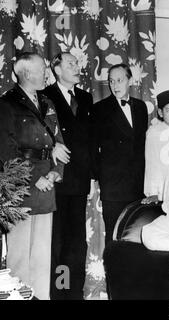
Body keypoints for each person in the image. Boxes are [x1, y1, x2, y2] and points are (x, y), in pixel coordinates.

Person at [0, 52, 67, 299]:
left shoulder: (47, 103)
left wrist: (55, 173)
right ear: (28, 73)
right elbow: (6, 150)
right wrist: (31, 178)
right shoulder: (6, 104)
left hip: (46, 184)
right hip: (21, 187)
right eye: (42, 69)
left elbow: (59, 142)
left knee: (41, 256)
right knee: (19, 259)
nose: (46, 74)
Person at [42, 52, 93, 300]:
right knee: (58, 242)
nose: (77, 67)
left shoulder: (85, 97)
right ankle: (58, 294)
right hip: (57, 180)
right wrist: (52, 147)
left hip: (80, 181)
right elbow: (40, 132)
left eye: (77, 63)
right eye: (70, 64)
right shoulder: (45, 96)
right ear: (57, 69)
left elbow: (90, 140)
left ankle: (75, 293)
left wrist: (91, 177)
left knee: (77, 242)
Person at [92, 63, 148, 246]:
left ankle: (135, 275)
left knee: (137, 234)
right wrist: (95, 178)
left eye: (119, 80)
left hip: (138, 184)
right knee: (115, 236)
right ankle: (114, 275)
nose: (115, 85)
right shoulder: (99, 109)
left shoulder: (140, 107)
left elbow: (141, 146)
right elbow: (94, 148)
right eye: (111, 81)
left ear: (130, 80)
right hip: (114, 185)